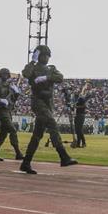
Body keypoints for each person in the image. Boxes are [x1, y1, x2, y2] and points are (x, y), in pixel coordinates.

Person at [19, 45, 77, 174]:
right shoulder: (33, 67)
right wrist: (32, 61)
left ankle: (26, 163)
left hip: (48, 103)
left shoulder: (51, 69)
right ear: (38, 56)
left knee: (37, 135)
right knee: (52, 124)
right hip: (38, 101)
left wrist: (46, 78)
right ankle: (63, 156)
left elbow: (60, 77)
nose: (46, 58)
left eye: (47, 55)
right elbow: (26, 74)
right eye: (43, 55)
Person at [0, 68, 24, 161]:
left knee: (3, 134)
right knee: (13, 130)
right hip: (1, 111)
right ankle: (18, 153)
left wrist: (16, 93)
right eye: (3, 74)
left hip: (8, 111)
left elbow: (13, 100)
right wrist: (0, 99)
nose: (5, 76)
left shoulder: (10, 87)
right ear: (0, 75)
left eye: (6, 74)